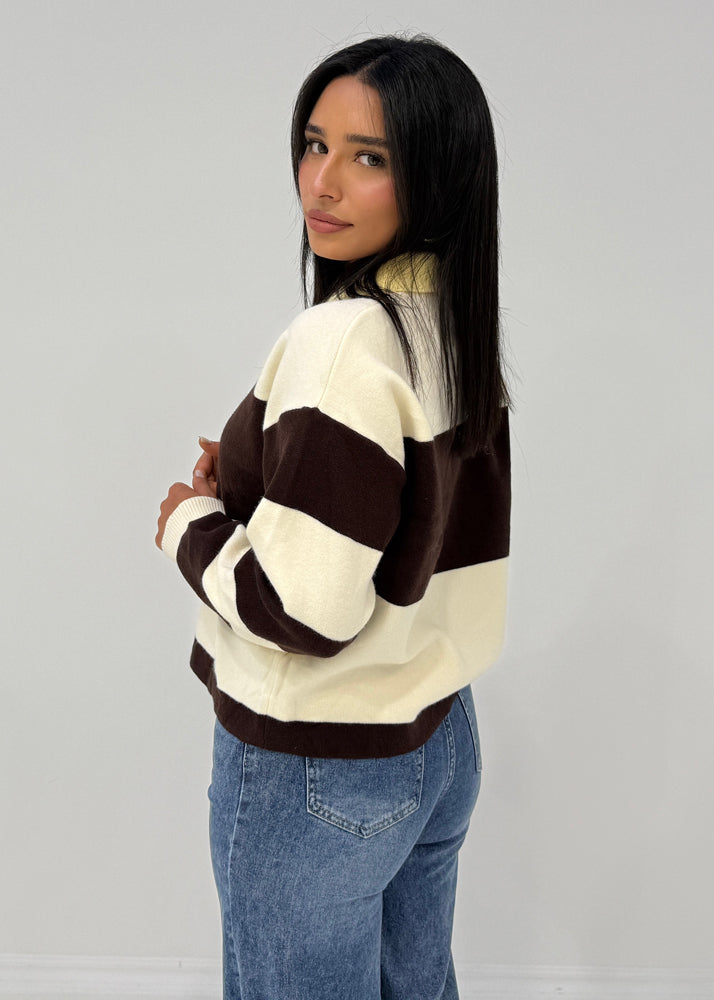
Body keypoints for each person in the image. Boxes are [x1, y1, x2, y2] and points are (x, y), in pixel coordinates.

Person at [156, 33, 511, 1000]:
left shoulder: (343, 337)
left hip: (320, 763)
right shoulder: (452, 323)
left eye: (369, 157)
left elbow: (303, 612)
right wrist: (257, 481)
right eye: (315, 144)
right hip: (437, 735)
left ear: (435, 176)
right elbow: (417, 523)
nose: (322, 182)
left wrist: (190, 521)